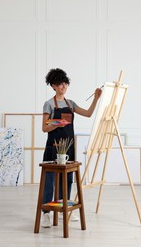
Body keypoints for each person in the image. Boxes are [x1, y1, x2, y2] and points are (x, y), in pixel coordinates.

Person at [41, 68, 102, 228]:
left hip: (68, 147)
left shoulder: (71, 104)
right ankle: (46, 214)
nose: (64, 86)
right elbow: (44, 127)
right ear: (53, 85)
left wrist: (96, 98)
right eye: (60, 83)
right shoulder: (48, 104)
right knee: (49, 180)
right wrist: (59, 122)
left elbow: (88, 114)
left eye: (65, 83)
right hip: (53, 147)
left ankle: (64, 208)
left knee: (67, 179)